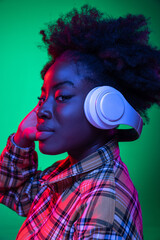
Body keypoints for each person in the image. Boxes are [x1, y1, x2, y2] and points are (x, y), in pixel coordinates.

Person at [0, 5, 160, 239]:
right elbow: (12, 189)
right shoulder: (67, 173)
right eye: (41, 98)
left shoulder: (104, 212)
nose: (41, 110)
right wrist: (21, 140)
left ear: (106, 110)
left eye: (62, 97)